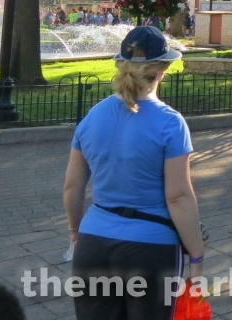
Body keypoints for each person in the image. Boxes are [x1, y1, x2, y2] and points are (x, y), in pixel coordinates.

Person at [63, 26, 205, 320]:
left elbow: (72, 187)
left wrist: (77, 233)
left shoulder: (93, 116)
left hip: (93, 243)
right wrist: (197, 254)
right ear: (162, 70)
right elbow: (178, 197)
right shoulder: (170, 123)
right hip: (150, 248)